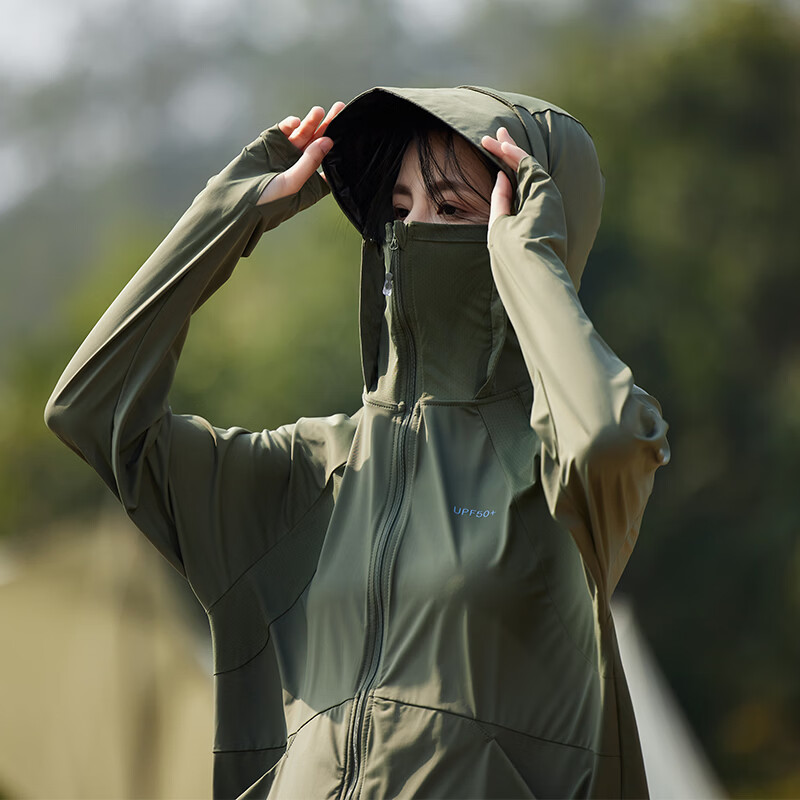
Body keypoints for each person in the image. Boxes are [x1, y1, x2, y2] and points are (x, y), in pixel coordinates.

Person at [45, 86, 669, 799]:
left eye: (454, 209)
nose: (414, 232)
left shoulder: (559, 474)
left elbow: (610, 440)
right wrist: (231, 214)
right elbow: (89, 409)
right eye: (399, 210)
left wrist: (529, 262)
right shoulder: (306, 472)